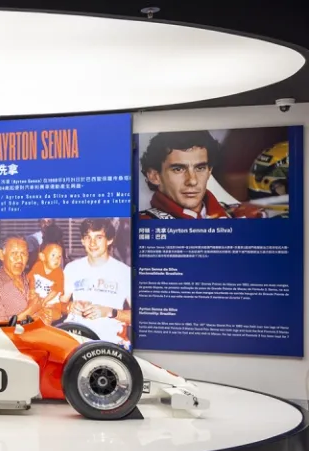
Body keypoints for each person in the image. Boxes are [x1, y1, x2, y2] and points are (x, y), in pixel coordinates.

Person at [138, 130, 266, 219]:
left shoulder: (249, 215)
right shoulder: (140, 224)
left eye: (200, 168)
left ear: (209, 171)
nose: (192, 181)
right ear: (154, 176)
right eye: (178, 169)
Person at [60, 219, 132, 349]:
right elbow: (58, 307)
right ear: (82, 240)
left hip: (109, 343)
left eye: (99, 237)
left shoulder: (125, 272)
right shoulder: (71, 268)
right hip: (74, 340)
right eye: (88, 237)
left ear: (109, 240)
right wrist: (70, 307)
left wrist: (110, 312)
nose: (92, 243)